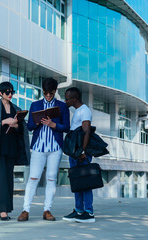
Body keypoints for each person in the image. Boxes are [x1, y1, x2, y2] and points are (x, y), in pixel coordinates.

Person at [17, 78, 70, 221]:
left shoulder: (62, 107)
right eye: (46, 93)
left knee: (51, 179)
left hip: (55, 148)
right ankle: (25, 210)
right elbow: (29, 127)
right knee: (33, 178)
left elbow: (67, 127)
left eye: (51, 93)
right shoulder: (35, 105)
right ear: (42, 91)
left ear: (55, 91)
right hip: (39, 147)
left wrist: (54, 125)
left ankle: (47, 210)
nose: (48, 96)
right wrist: (37, 122)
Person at [0, 81, 30, 221]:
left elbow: (22, 129)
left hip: (12, 147)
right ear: (1, 93)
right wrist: (4, 122)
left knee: (9, 179)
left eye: (12, 92)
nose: (10, 94)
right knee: (1, 178)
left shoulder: (17, 108)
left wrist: (15, 126)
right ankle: (2, 211)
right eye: (7, 92)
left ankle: (7, 209)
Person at [62, 87, 95, 223]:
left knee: (85, 182)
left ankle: (89, 212)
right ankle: (79, 210)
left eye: (67, 98)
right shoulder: (77, 111)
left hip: (80, 153)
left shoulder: (84, 111)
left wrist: (83, 151)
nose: (66, 101)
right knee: (77, 182)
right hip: (75, 152)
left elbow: (87, 131)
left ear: (74, 99)